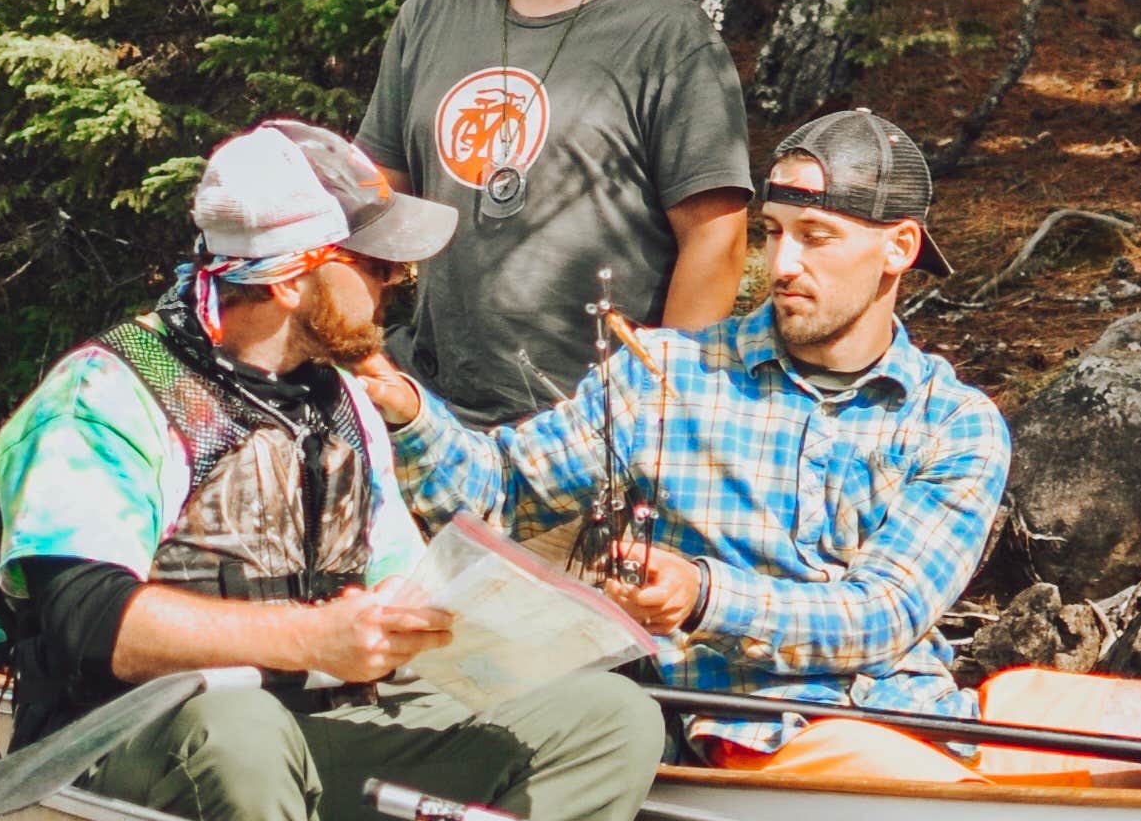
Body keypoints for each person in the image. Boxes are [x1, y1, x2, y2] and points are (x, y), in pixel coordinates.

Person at [0, 122, 666, 821]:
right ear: (288, 277)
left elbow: (400, 585)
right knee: (244, 728)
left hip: (316, 732)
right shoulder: (106, 394)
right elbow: (87, 623)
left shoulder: (341, 402)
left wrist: (518, 626)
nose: (397, 286)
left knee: (611, 715)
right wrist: (310, 637)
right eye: (375, 267)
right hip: (130, 744)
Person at [346, 107, 1009, 718]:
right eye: (773, 233)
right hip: (725, 735)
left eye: (817, 237)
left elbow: (884, 615)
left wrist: (704, 594)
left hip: (899, 722)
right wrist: (408, 415)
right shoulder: (661, 373)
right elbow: (499, 493)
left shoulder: (956, 425)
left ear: (899, 248)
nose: (782, 264)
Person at [356, 0, 752, 421]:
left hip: (586, 434)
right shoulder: (432, 13)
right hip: (429, 415)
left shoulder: (664, 32)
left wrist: (659, 415)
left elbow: (717, 240)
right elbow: (374, 204)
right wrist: (360, 357)